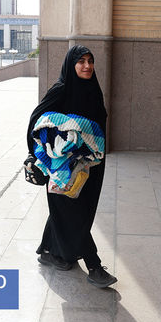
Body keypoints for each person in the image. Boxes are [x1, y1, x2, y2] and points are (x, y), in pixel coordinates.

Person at [26, 45, 117, 289]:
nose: (87, 66)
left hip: (91, 164)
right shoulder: (61, 90)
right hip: (61, 166)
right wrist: (32, 155)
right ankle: (95, 266)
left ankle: (49, 251)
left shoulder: (93, 91)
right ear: (71, 64)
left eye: (90, 60)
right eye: (81, 61)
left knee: (79, 208)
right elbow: (36, 120)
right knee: (72, 210)